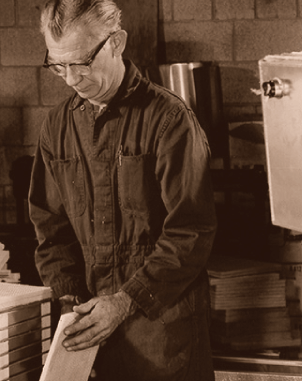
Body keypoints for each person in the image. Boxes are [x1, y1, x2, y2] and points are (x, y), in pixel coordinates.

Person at [28, 0, 218, 379]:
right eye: (57, 65)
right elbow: (50, 229)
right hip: (90, 337)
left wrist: (125, 301)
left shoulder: (169, 121)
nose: (70, 78)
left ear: (117, 42)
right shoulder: (57, 128)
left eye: (81, 62)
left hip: (162, 338)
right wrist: (70, 302)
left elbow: (191, 232)